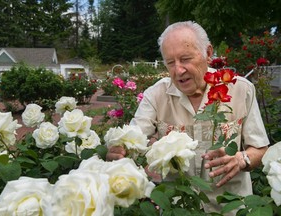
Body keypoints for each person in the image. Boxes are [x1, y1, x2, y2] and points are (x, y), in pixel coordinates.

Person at [106, 21, 269, 214]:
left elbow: (259, 147)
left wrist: (243, 159)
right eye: (170, 63)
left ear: (208, 54)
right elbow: (133, 139)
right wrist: (119, 150)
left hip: (231, 208)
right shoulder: (155, 95)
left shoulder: (241, 90)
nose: (178, 70)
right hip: (178, 208)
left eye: (185, 59)